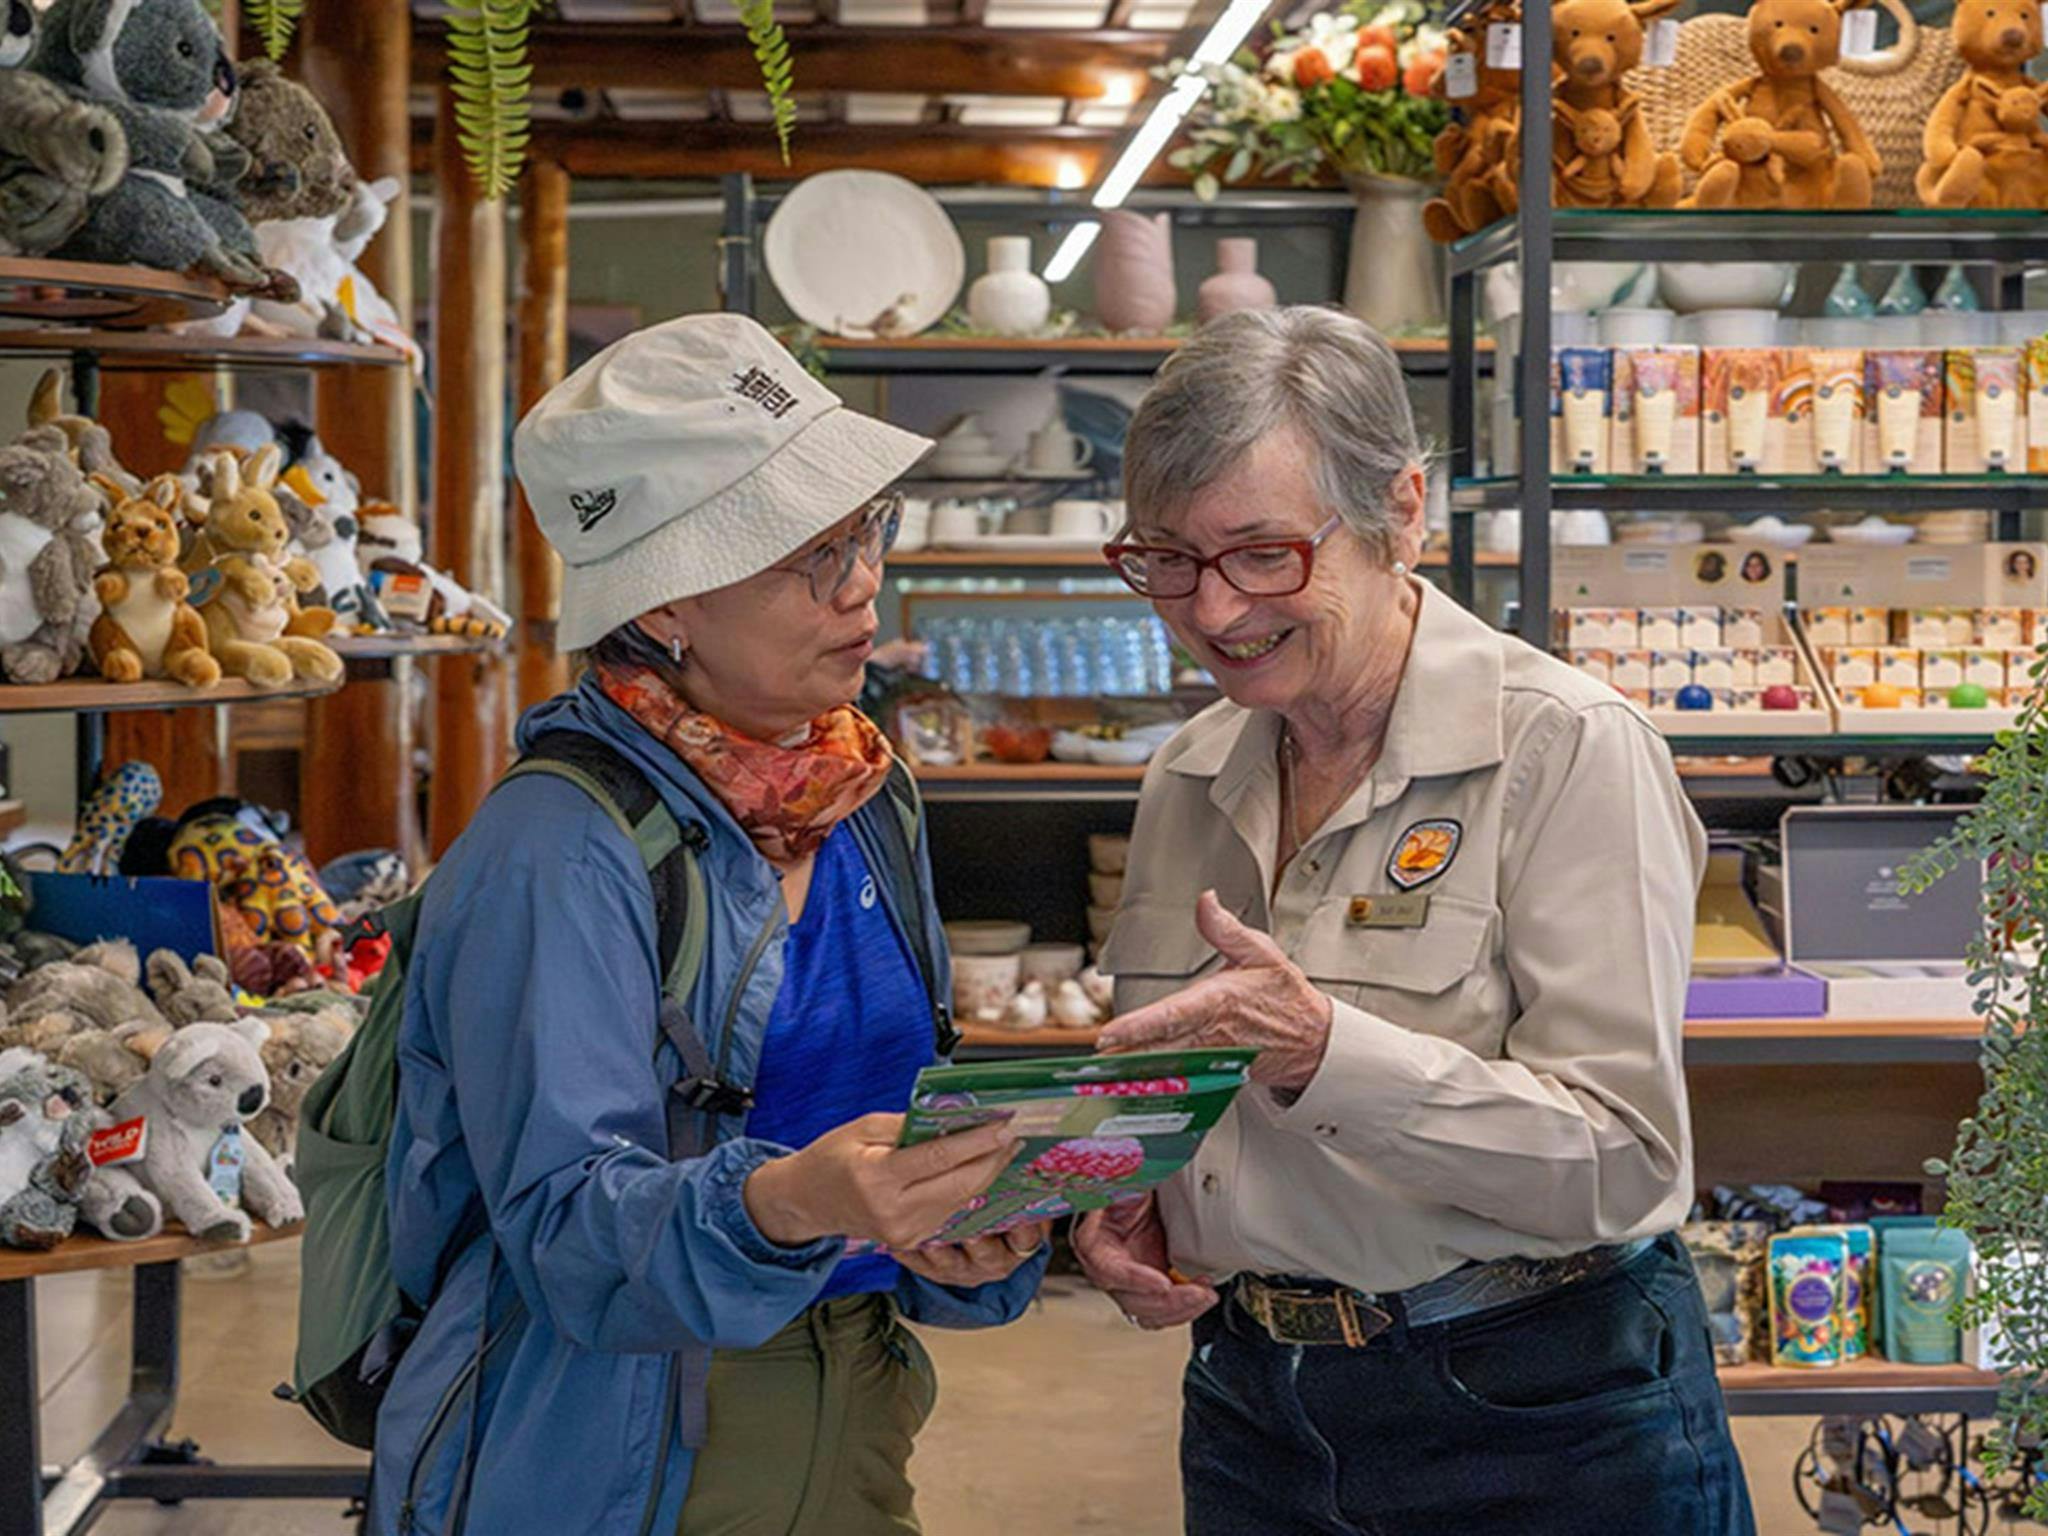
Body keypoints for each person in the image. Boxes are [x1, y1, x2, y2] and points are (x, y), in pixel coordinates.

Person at [1077, 307, 1754, 1534]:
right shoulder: (1187, 772)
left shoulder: (1563, 751)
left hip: (1541, 1406)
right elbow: (1182, 1103)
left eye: (1262, 554)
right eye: (1165, 558)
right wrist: (1132, 1200)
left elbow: (1624, 1162)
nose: (1213, 611)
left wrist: (1325, 1054)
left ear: (1398, 511)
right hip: (1249, 1403)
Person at [370, 315, 1047, 1536]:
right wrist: (796, 1201)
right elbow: (566, 1232)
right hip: (613, 1446)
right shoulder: (556, 850)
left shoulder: (863, 791)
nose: (863, 586)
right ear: (669, 599)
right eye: (811, 555)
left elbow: (898, 1097)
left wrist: (953, 1229)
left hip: (858, 1396)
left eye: (869, 533)